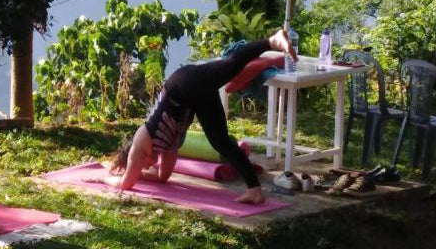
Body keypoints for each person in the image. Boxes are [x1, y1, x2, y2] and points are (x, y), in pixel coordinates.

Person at [105, 28, 294, 205]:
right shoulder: (167, 148)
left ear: (133, 158)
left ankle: (272, 41)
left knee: (229, 66)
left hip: (183, 84)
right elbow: (162, 177)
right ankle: (255, 190)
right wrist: (139, 174)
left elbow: (125, 184)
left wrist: (104, 179)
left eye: (142, 167)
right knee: (220, 142)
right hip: (194, 99)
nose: (146, 168)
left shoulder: (142, 140)